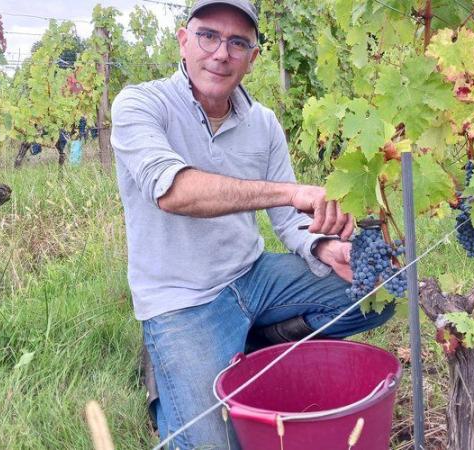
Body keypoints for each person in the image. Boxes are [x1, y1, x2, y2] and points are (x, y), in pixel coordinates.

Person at [110, 1, 394, 447]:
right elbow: (175, 192)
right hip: (181, 300)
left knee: (376, 291)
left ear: (252, 57)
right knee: (217, 443)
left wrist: (324, 248)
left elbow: (287, 221)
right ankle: (168, 371)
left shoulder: (262, 123)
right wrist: (290, 191)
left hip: (253, 276)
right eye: (208, 36)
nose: (221, 53)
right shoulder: (141, 104)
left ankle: (255, 341)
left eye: (238, 42)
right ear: (184, 40)